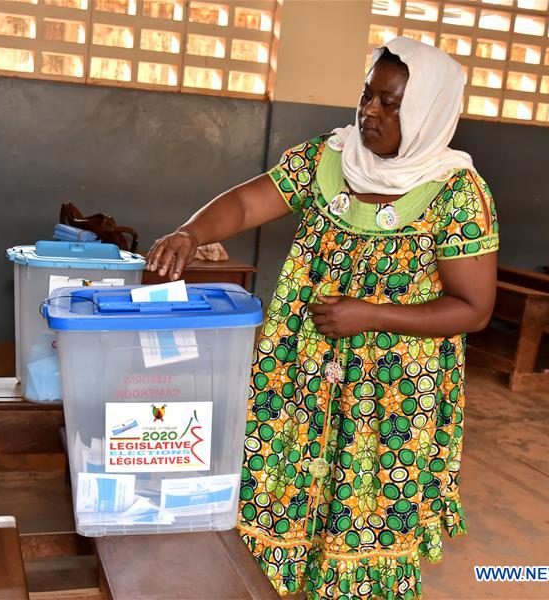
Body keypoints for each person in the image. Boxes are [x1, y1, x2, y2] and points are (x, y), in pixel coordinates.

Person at [147, 37, 498, 599]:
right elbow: (244, 204)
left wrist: (372, 315)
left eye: (390, 103)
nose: (369, 112)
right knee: (276, 495)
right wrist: (192, 232)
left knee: (360, 515)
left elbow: (473, 309)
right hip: (298, 369)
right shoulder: (329, 157)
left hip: (390, 392)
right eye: (367, 95)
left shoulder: (455, 192)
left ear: (428, 110)